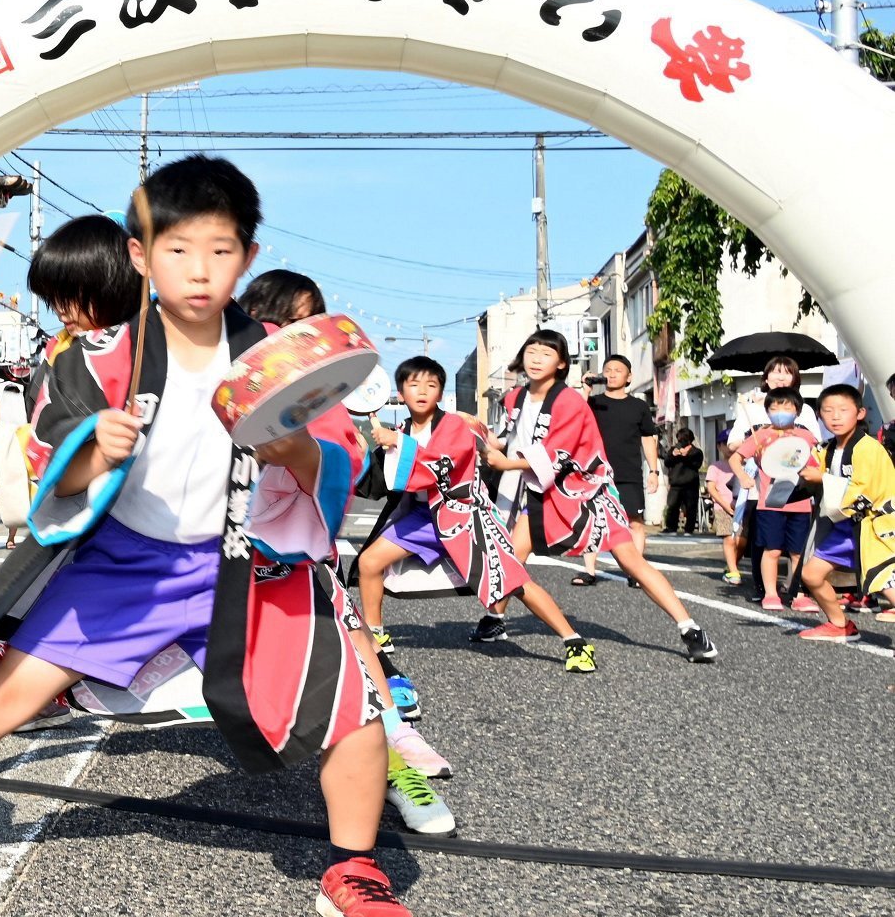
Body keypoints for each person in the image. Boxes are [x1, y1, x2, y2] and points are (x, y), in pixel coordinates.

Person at [0, 157, 429, 917]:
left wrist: (293, 449)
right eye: (179, 250)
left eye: (221, 251)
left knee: (353, 711)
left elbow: (345, 464)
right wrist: (97, 450)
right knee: (1, 699)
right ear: (139, 256)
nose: (200, 272)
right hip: (125, 563)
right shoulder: (94, 359)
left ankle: (354, 867)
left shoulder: (279, 356)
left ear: (249, 257)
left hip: (251, 566)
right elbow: (53, 460)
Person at [232, 267, 447, 778]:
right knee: (342, 637)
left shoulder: (293, 374)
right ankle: (392, 738)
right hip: (245, 537)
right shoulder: (258, 362)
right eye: (295, 318)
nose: (306, 330)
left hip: (274, 542)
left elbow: (338, 454)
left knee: (344, 635)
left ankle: (391, 737)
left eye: (311, 319)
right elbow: (343, 455)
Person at [482, 330, 719, 661]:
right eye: (531, 351)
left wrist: (506, 461)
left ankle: (690, 628)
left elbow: (558, 454)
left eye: (546, 353)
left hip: (586, 490)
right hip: (540, 490)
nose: (536, 358)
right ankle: (495, 618)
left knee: (629, 560)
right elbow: (506, 437)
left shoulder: (569, 401)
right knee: (512, 556)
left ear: (562, 363)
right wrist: (476, 435)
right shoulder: (514, 398)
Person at [356, 357, 595, 673]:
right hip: (422, 517)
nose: (422, 391)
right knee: (368, 563)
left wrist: (399, 443)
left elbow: (442, 465)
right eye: (413, 385)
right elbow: (388, 480)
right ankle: (375, 634)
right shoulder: (399, 428)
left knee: (513, 583)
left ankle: (574, 641)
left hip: (466, 517)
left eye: (431, 385)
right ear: (400, 393)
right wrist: (362, 451)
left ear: (441, 392)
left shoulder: (455, 425)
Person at [795, 385, 895, 640]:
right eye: (828, 411)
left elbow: (865, 491)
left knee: (885, 582)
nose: (835, 416)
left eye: (843, 410)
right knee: (811, 574)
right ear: (819, 415)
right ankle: (840, 624)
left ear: (860, 413)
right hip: (843, 527)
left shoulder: (869, 448)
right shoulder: (826, 449)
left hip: (873, 527)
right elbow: (806, 474)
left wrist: (823, 478)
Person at [732, 386, 821, 612]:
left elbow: (816, 462)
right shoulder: (760, 435)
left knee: (798, 551)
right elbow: (736, 458)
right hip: (770, 503)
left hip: (800, 503)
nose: (780, 411)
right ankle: (771, 593)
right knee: (771, 550)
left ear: (798, 410)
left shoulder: (806, 436)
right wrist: (743, 476)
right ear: (767, 411)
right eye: (774, 407)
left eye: (786, 406)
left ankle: (798, 592)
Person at [579, 355, 660, 584]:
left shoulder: (639, 406)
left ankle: (635, 571)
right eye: (608, 370)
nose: (612, 374)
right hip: (596, 473)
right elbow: (575, 417)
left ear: (629, 377)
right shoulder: (593, 403)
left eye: (618, 370)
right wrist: (585, 390)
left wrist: (653, 471)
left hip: (629, 473)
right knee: (594, 520)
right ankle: (589, 571)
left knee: (634, 521)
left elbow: (647, 439)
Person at [706, 447, 744, 582]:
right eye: (725, 444)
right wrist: (724, 505)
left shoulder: (744, 465)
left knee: (741, 542)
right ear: (719, 447)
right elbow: (711, 488)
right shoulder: (715, 467)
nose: (730, 449)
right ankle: (734, 572)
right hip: (722, 507)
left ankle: (731, 566)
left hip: (742, 507)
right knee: (729, 539)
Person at [662, 426, 705, 535]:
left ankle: (689, 529)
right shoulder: (674, 449)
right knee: (672, 506)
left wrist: (686, 455)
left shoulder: (696, 452)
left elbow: (697, 464)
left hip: (691, 484)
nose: (681, 442)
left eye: (684, 439)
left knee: (691, 507)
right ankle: (671, 528)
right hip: (676, 484)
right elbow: (667, 462)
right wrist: (674, 455)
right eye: (680, 439)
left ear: (690, 440)